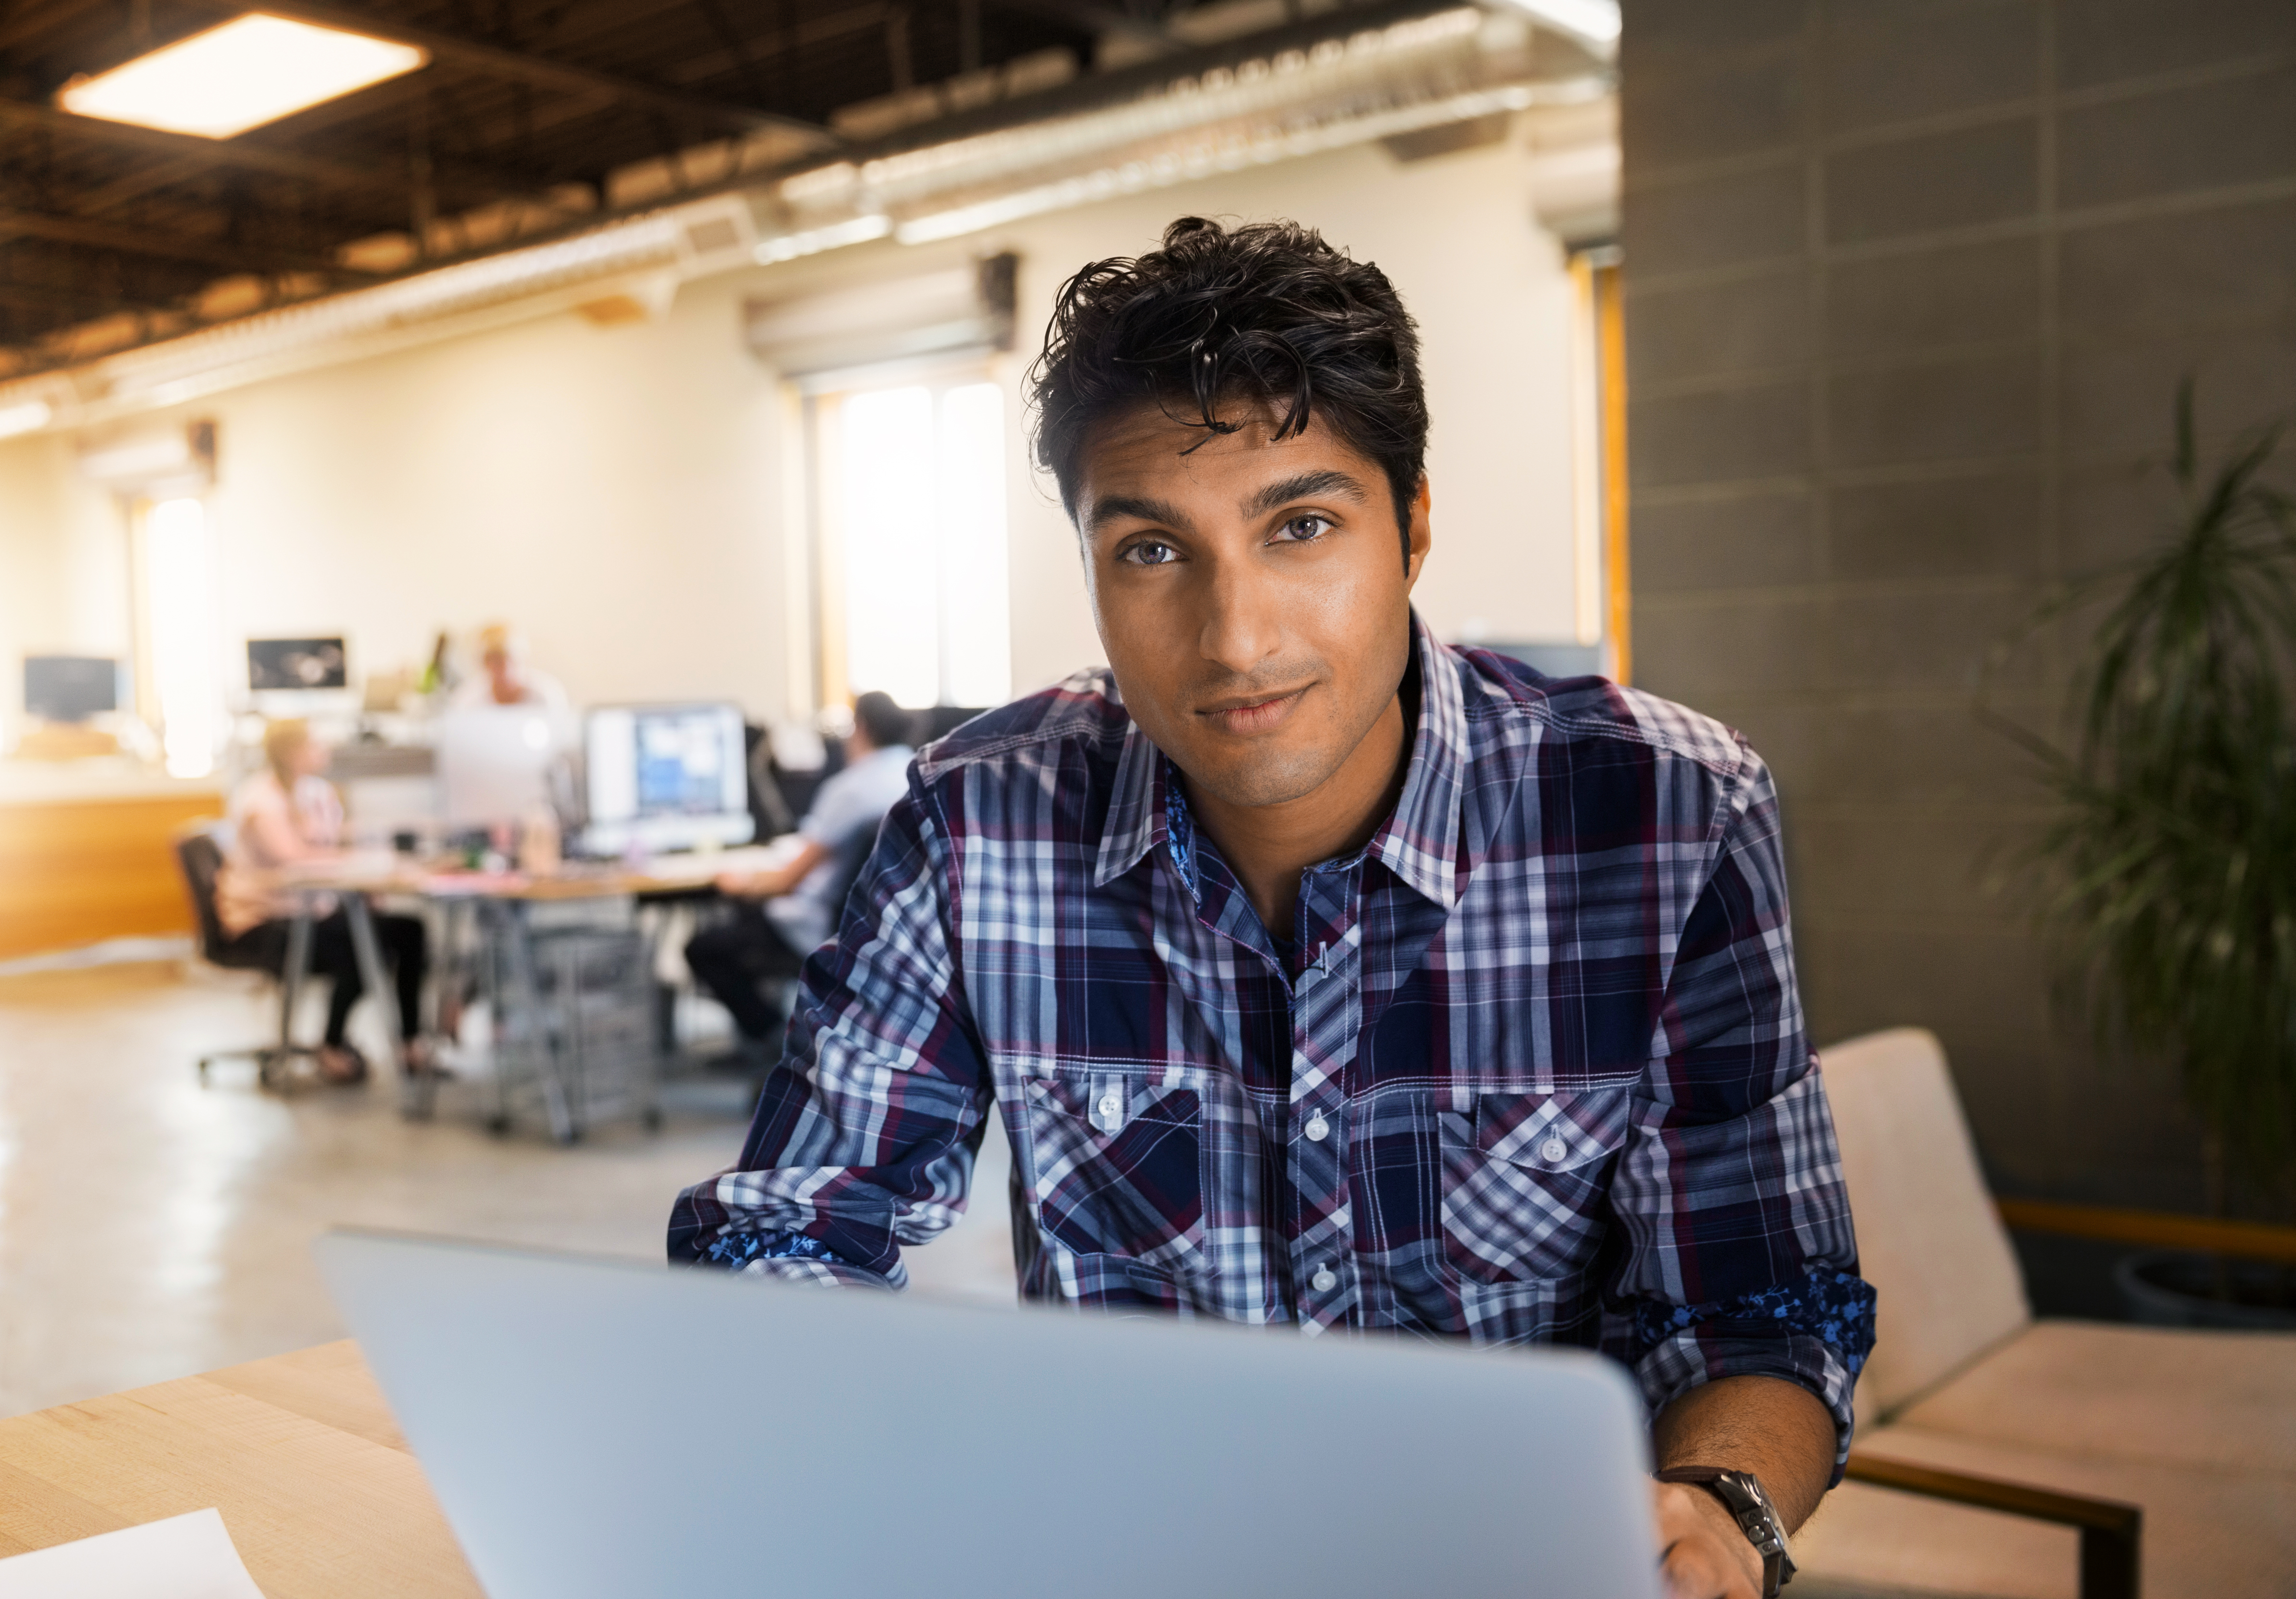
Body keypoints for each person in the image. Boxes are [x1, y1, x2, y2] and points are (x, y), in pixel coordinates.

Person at [669, 219, 1874, 1599]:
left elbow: (1763, 1304)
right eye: (1150, 550)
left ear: (1412, 528)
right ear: (1088, 568)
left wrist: (1715, 1507)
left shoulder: (1666, 814)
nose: (1235, 637)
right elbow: (787, 1225)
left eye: (1300, 526)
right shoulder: (974, 820)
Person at [685, 692, 915, 1067]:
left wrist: (740, 883)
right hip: (888, 930)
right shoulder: (914, 774)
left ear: (861, 729)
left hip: (819, 926)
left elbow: (786, 882)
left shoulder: (851, 788)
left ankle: (776, 1040)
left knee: (704, 949)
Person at [215, 718, 432, 1084]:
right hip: (267, 920)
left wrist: (370, 865)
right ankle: (332, 1045)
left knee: (409, 931)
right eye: (316, 743)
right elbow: (293, 859)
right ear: (291, 752)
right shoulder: (259, 799)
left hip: (313, 911)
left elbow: (336, 842)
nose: (325, 749)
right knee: (364, 947)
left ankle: (411, 1043)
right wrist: (358, 865)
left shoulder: (316, 793)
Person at [450, 623, 571, 721]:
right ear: (484, 664)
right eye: (496, 661)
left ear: (524, 659)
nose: (506, 668)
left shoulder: (547, 694)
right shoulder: (467, 701)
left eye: (511, 659)